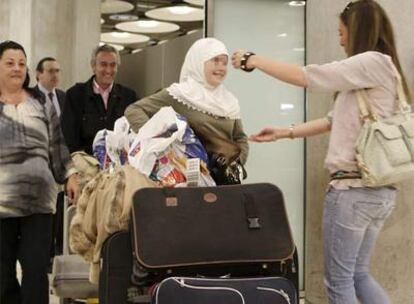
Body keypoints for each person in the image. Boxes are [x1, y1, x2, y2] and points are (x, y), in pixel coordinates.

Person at [232, 1, 410, 303]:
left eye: (342, 32)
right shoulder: (381, 70)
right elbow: (332, 121)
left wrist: (254, 59)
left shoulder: (371, 61)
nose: (340, 39)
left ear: (357, 29)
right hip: (376, 192)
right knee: (358, 275)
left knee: (339, 282)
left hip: (353, 190)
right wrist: (285, 132)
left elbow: (307, 77)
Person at [0, 41, 79, 304]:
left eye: (21, 63)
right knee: (3, 273)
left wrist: (70, 175)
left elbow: (57, 145)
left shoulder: (40, 102)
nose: (17, 68)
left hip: (40, 203)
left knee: (35, 269)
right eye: (10, 63)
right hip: (1, 203)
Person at [125, 38, 248, 184]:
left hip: (224, 182)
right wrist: (159, 143)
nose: (221, 68)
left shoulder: (229, 101)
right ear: (199, 61)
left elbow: (240, 138)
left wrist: (235, 165)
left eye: (224, 63)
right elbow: (134, 110)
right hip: (189, 182)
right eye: (215, 61)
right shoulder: (180, 94)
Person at [61, 44, 137, 155]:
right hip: (86, 164)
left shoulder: (129, 96)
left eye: (113, 65)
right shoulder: (75, 95)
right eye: (103, 64)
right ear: (93, 66)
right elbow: (68, 137)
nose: (108, 70)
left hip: (120, 166)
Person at [34, 56, 66, 260]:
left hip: (59, 163)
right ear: (38, 74)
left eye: (57, 71)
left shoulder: (64, 97)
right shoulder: (29, 96)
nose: (55, 75)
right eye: (50, 71)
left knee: (60, 211)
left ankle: (57, 255)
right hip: (39, 166)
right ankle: (43, 256)